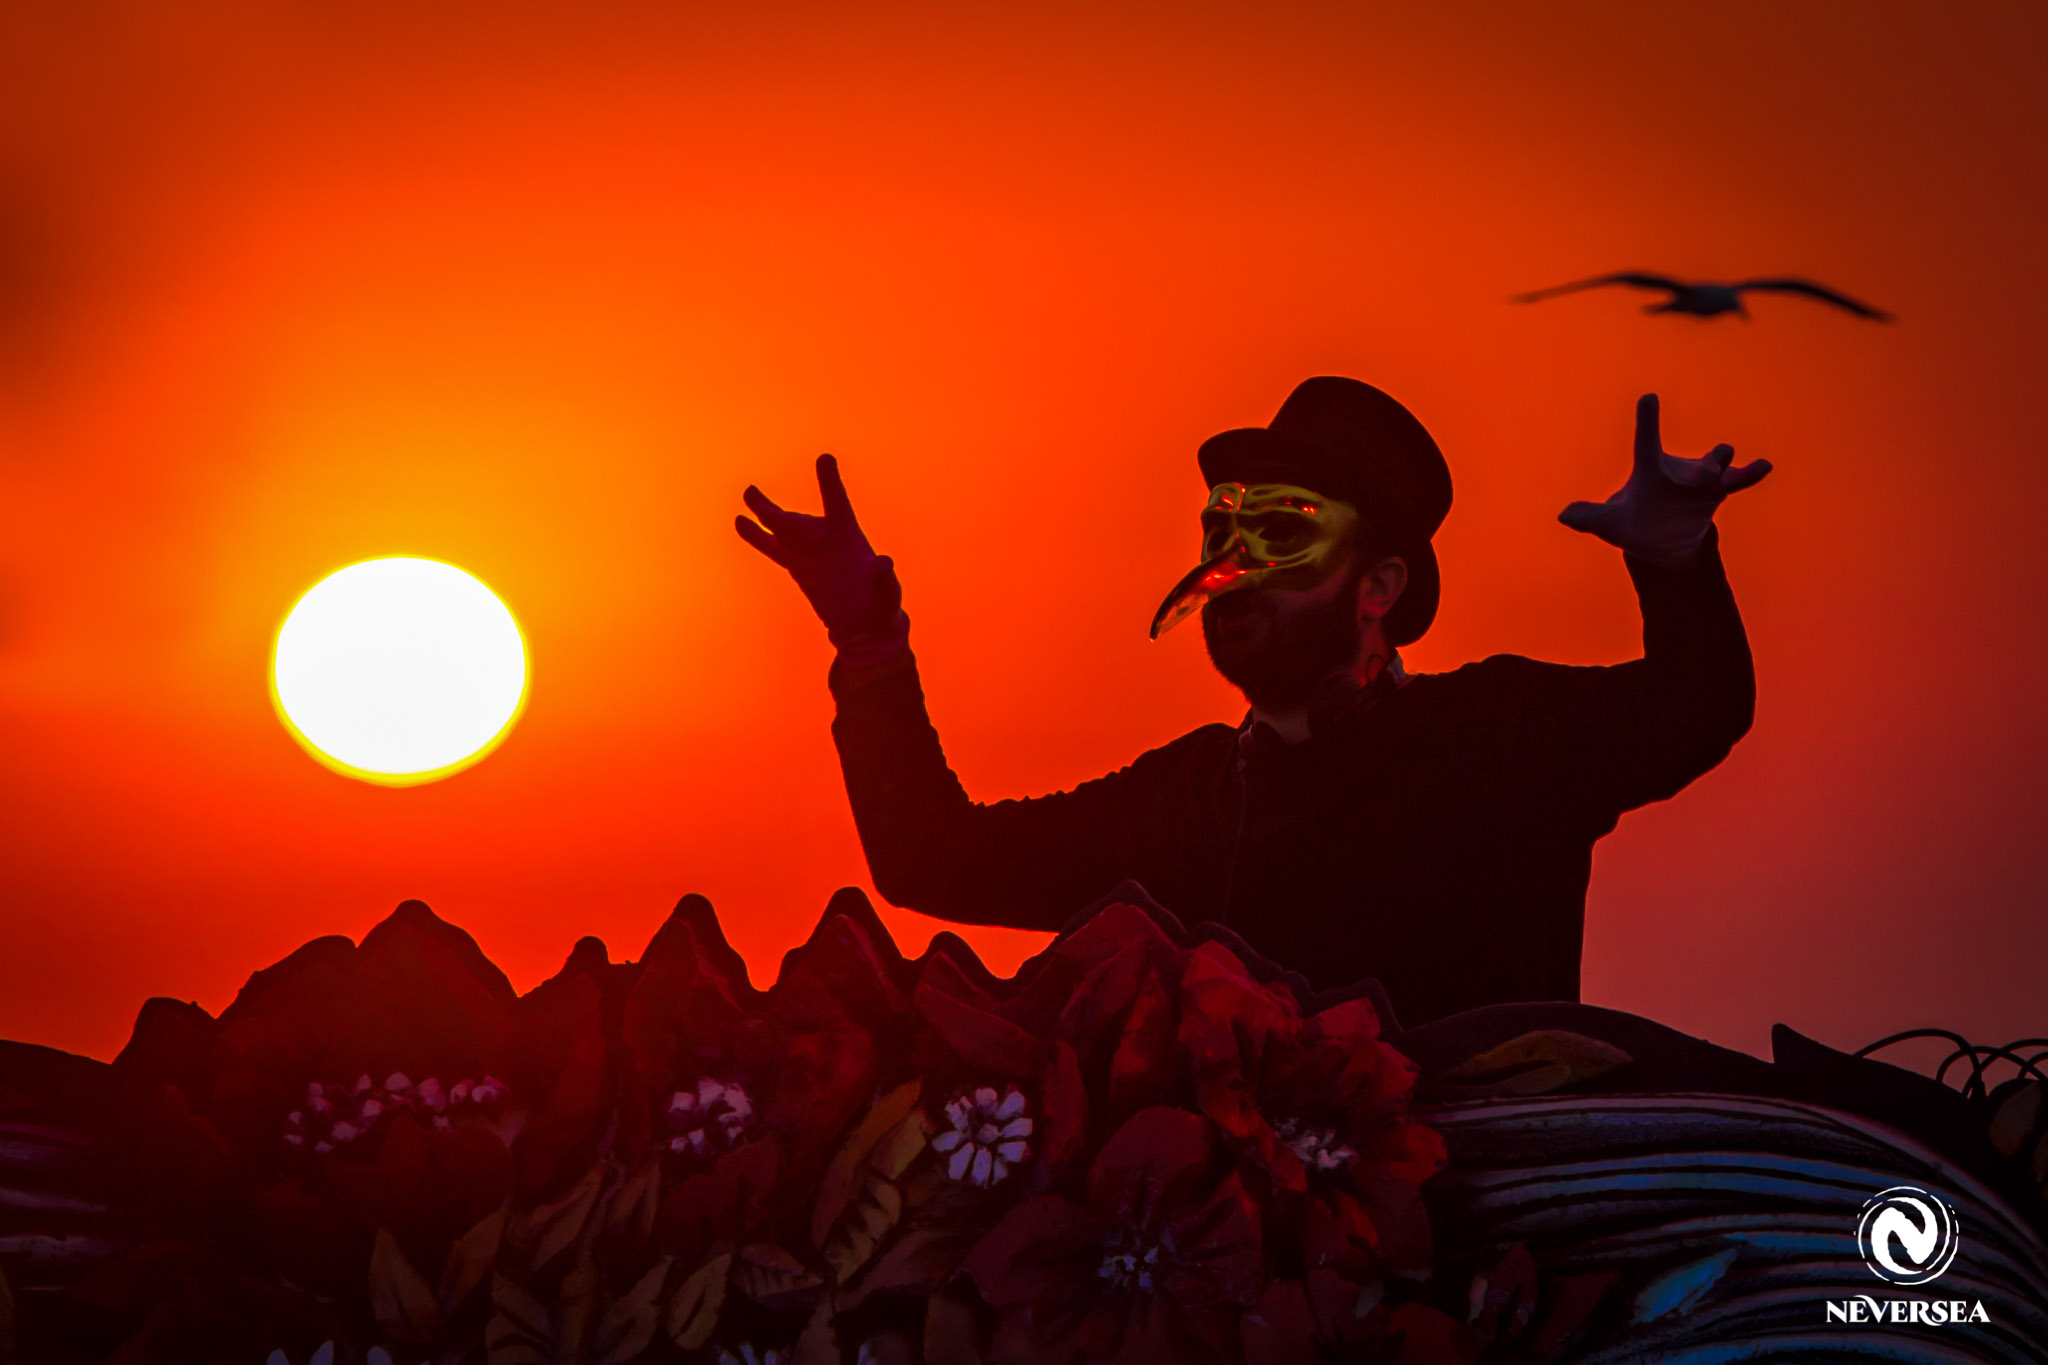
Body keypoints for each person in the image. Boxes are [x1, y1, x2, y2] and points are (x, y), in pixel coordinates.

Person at [735, 377, 1767, 1027]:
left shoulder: (1497, 737)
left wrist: (1673, 558)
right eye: (1218, 534)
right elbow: (933, 858)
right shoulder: (1182, 799)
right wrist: (869, 646)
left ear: (1379, 586)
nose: (1228, 570)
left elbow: (1697, 707)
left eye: (1279, 535)